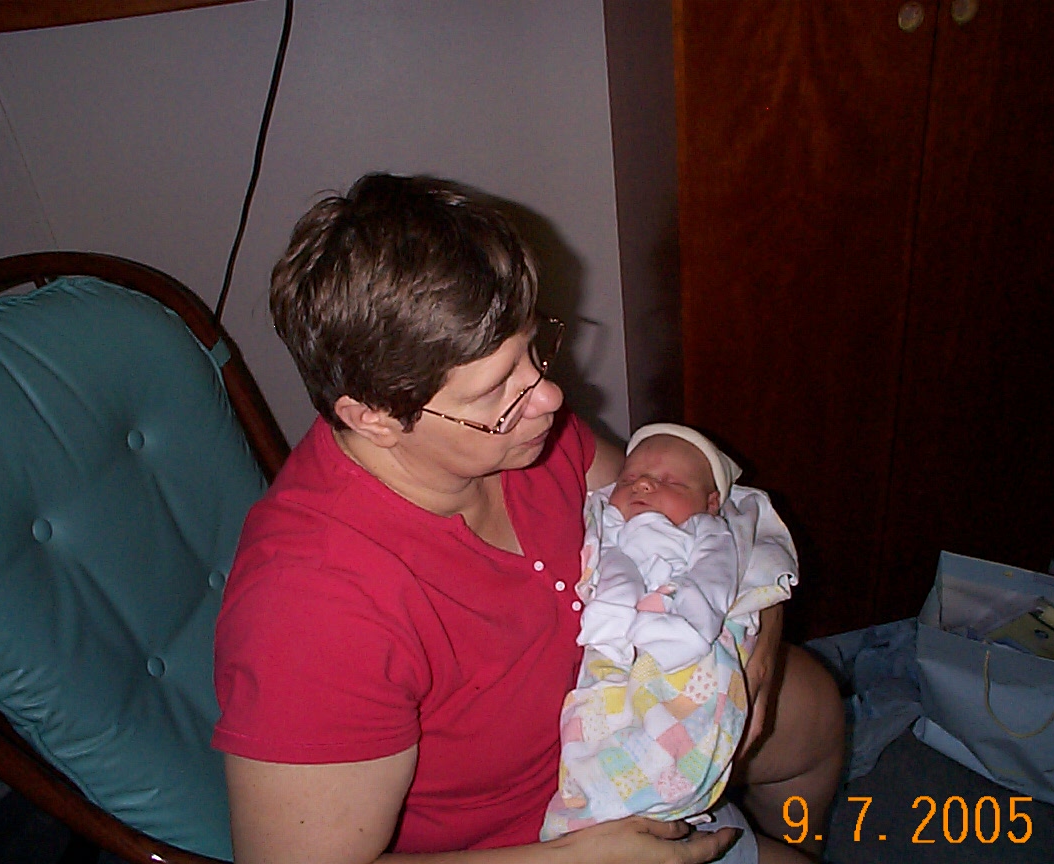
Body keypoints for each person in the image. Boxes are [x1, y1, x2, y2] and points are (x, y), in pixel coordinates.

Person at [211, 172, 845, 864]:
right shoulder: (311, 610)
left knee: (813, 709)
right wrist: (579, 858)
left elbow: (690, 510)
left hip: (620, 720)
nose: (549, 397)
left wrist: (763, 623)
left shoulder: (519, 436)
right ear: (374, 418)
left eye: (533, 350)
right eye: (498, 391)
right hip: (526, 842)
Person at [542, 424, 797, 845]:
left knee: (671, 721)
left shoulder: (709, 533)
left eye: (671, 482)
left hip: (681, 640)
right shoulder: (609, 527)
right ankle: (591, 804)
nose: (642, 484)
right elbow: (611, 569)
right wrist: (610, 621)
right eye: (629, 479)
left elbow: (712, 583)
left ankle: (649, 789)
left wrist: (683, 628)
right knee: (593, 722)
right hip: (613, 647)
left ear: (710, 503)